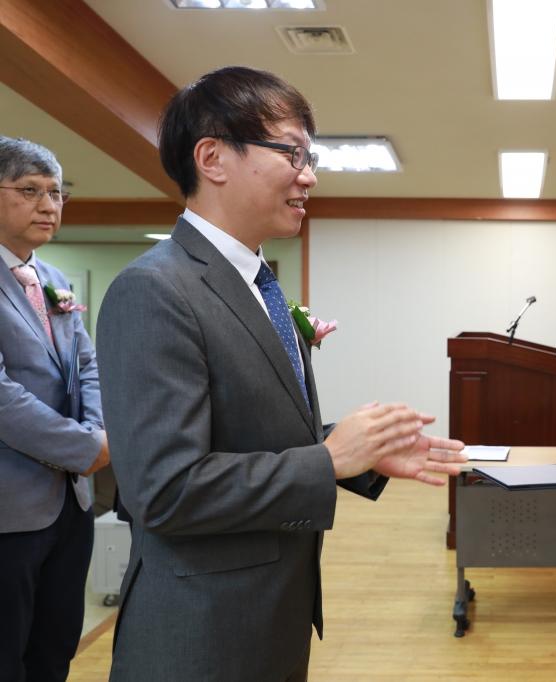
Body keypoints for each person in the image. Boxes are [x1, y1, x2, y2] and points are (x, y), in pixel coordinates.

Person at [97, 66, 466, 682]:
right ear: (212, 158)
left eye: (309, 156)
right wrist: (327, 460)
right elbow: (164, 490)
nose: (309, 175)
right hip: (202, 635)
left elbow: (249, 434)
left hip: (271, 618)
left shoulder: (256, 284)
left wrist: (358, 455)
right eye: (291, 153)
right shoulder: (155, 289)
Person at [0, 137, 109, 682]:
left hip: (71, 503)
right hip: (9, 507)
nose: (49, 206)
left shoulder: (55, 281)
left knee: (55, 648)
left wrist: (99, 430)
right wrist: (86, 448)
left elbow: (88, 366)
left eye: (56, 193)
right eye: (29, 191)